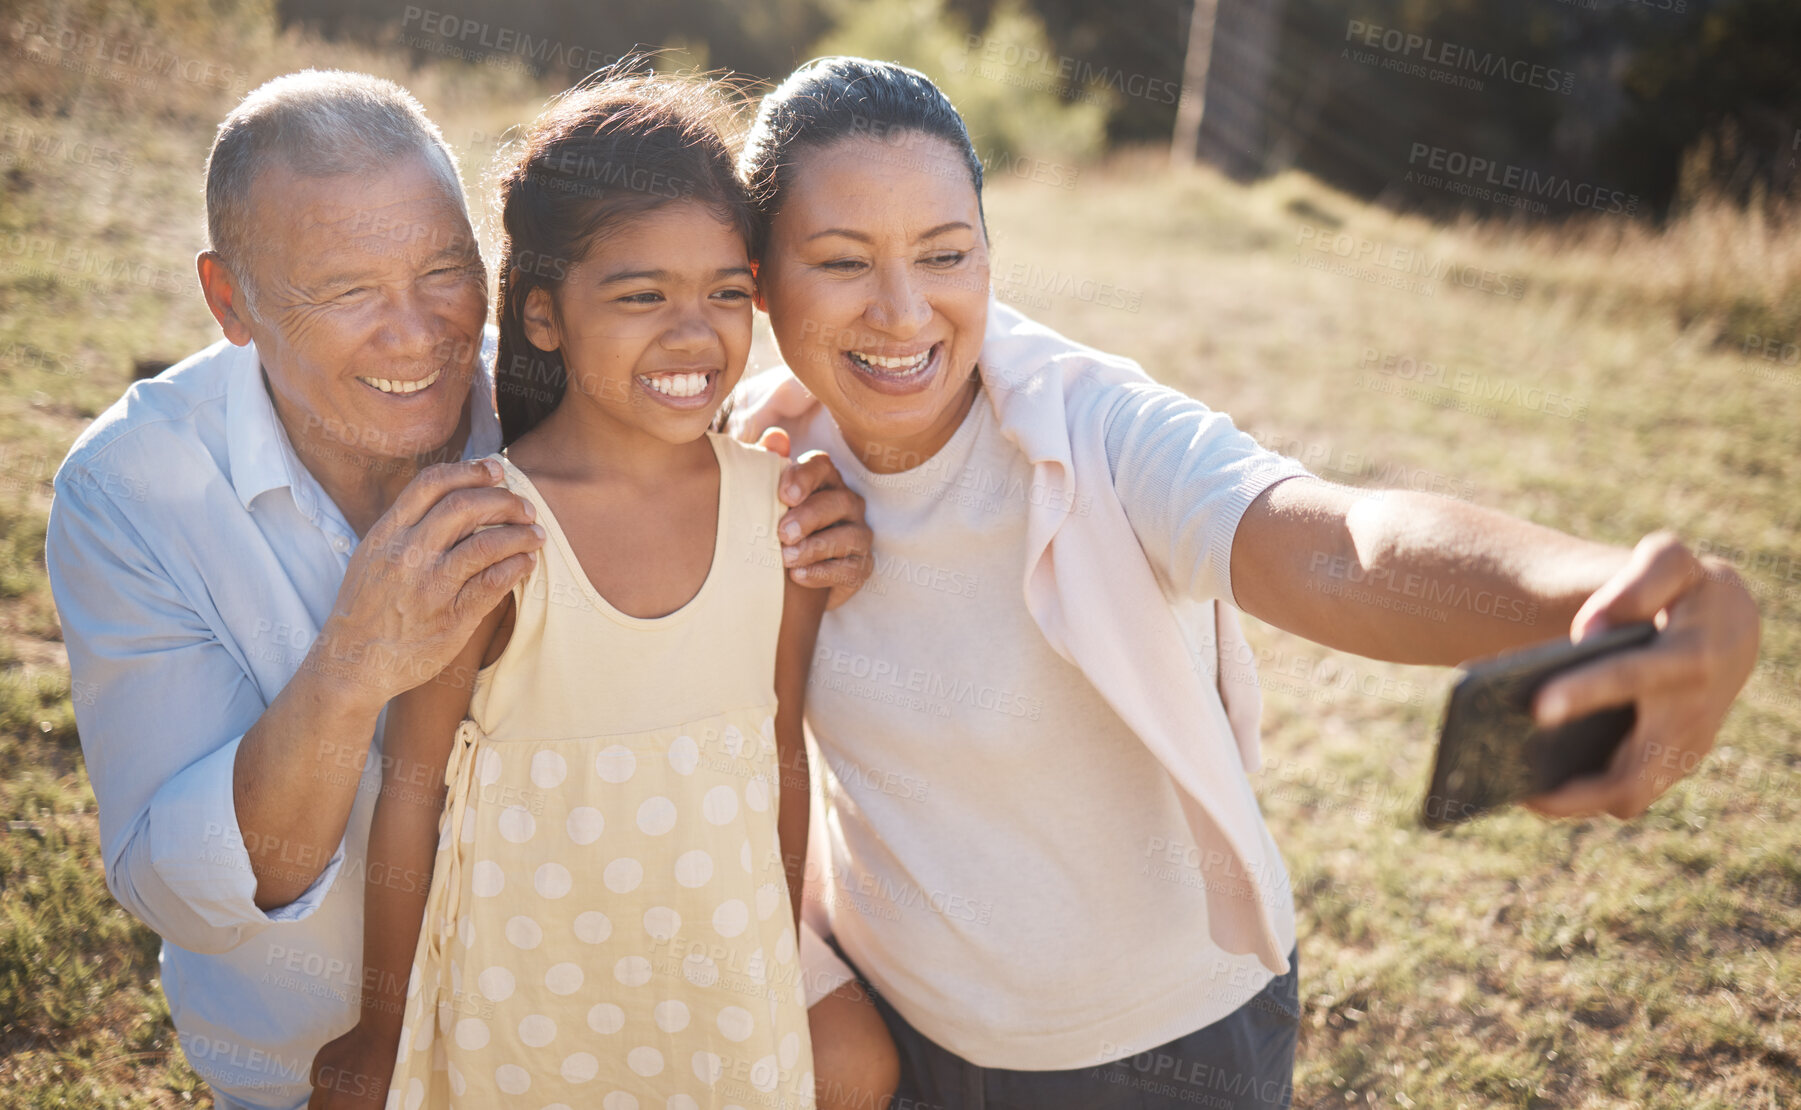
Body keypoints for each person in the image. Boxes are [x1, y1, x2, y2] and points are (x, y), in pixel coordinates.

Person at [731, 57, 1762, 1109]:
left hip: (1160, 1050)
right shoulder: (747, 455)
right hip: (900, 1029)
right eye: (843, 262)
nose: (903, 313)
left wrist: (1607, 590)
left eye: (944, 254)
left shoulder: (1095, 429)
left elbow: (1341, 543)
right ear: (760, 282)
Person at [43, 68, 871, 1110]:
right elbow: (190, 893)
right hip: (345, 1047)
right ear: (228, 302)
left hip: (662, 964)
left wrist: (809, 518)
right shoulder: (133, 490)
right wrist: (353, 664)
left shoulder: (560, 385)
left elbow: (690, 375)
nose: (419, 333)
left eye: (443, 270)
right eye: (348, 290)